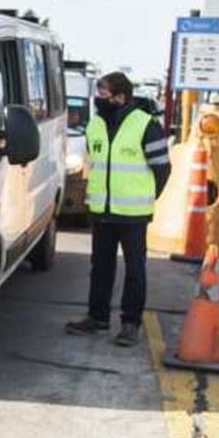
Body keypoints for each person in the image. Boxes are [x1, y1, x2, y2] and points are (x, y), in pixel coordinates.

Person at [65, 72, 171, 347]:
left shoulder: (146, 124)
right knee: (100, 267)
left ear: (121, 97)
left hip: (133, 214)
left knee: (135, 269)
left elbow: (162, 168)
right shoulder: (95, 125)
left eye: (104, 95)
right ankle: (97, 318)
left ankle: (130, 324)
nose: (99, 101)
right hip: (102, 211)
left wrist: (148, 197)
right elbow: (94, 162)